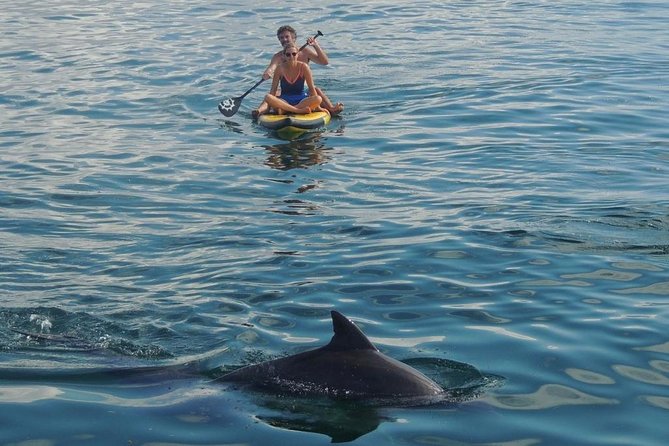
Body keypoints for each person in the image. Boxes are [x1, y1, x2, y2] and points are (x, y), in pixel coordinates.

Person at [253, 25, 343, 118]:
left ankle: (331, 109)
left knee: (316, 90)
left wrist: (315, 45)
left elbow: (324, 62)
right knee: (274, 93)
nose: (284, 39)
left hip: (303, 89)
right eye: (281, 38)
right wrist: (267, 73)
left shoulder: (305, 52)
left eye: (286, 36)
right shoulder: (279, 56)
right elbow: (272, 67)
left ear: (294, 38)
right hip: (286, 90)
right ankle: (260, 110)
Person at [263, 43, 324, 115]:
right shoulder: (279, 68)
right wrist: (268, 108)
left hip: (301, 100)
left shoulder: (304, 67)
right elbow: (273, 90)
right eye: (288, 54)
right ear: (284, 56)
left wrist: (318, 107)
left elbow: (311, 88)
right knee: (267, 97)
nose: (291, 56)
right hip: (284, 100)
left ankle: (287, 110)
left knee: (318, 98)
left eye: (294, 54)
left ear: (297, 55)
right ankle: (298, 110)